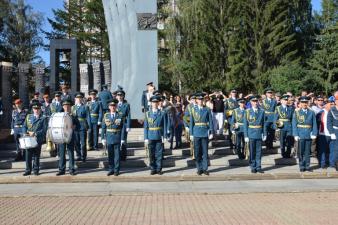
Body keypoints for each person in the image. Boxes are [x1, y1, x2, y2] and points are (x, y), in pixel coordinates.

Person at [189, 93, 214, 175]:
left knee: (205, 152)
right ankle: (199, 168)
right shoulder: (193, 109)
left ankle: (205, 168)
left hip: (204, 132)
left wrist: (211, 131)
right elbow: (191, 123)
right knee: (197, 152)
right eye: (199, 99)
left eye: (201, 99)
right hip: (196, 132)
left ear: (203, 100)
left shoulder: (207, 109)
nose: (200, 101)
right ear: (196, 100)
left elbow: (210, 121)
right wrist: (191, 134)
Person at [292, 96, 318, 172]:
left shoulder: (311, 112)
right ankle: (301, 165)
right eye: (303, 102)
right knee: (301, 151)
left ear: (308, 103)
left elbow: (314, 123)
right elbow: (294, 124)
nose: (304, 104)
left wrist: (314, 133)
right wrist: (295, 134)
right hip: (300, 134)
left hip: (309, 134)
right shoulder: (297, 112)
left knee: (307, 151)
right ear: (300, 103)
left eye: (306, 102)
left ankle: (307, 166)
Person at [101, 99, 126, 176]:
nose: (113, 107)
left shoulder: (120, 115)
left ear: (116, 106)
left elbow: (122, 128)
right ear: (109, 107)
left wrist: (122, 139)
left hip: (117, 136)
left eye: (114, 106)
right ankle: (111, 169)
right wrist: (103, 138)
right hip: (109, 137)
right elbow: (103, 128)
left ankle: (116, 170)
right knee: (110, 155)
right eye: (111, 106)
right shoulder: (106, 115)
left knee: (117, 155)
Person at [22, 102, 48, 176]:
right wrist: (24, 132)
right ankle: (28, 170)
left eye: (38, 109)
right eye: (35, 109)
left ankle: (36, 170)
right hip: (28, 139)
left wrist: (35, 133)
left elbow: (44, 129)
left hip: (37, 139)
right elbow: (24, 126)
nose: (36, 110)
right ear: (32, 109)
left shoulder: (43, 118)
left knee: (36, 155)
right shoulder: (28, 116)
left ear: (40, 109)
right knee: (28, 155)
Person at [144, 95, 167, 175]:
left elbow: (164, 125)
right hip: (150, 135)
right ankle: (152, 168)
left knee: (159, 154)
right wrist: (146, 138)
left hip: (159, 135)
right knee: (151, 154)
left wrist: (164, 136)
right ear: (151, 103)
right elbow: (146, 127)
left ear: (158, 103)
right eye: (153, 102)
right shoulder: (147, 114)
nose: (155, 104)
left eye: (156, 102)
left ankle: (159, 169)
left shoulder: (162, 113)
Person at [244, 95, 267, 173]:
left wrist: (265, 133)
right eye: (253, 101)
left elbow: (264, 123)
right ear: (251, 102)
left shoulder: (262, 111)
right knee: (252, 151)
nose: (255, 103)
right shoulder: (247, 111)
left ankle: (258, 166)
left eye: (256, 101)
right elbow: (245, 125)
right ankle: (253, 166)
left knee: (259, 151)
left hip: (259, 133)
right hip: (251, 133)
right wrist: (246, 135)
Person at [56, 99, 79, 176]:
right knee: (61, 153)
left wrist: (74, 126)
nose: (67, 108)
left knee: (70, 152)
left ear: (70, 107)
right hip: (62, 136)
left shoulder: (73, 115)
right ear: (63, 107)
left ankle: (71, 169)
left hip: (70, 136)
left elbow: (78, 125)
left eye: (68, 106)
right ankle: (61, 169)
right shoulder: (59, 115)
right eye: (65, 106)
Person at [72, 92, 91, 162]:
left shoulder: (85, 107)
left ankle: (84, 156)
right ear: (75, 99)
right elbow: (71, 117)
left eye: (80, 98)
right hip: (75, 127)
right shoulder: (73, 107)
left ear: (82, 99)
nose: (79, 99)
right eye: (77, 98)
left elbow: (88, 117)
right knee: (76, 142)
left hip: (82, 126)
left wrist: (89, 127)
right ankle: (78, 155)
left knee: (83, 143)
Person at [116, 87, 131, 161]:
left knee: (123, 140)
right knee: (117, 140)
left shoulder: (126, 105)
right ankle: (117, 155)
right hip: (116, 123)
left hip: (124, 123)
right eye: (118, 95)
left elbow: (128, 115)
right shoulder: (114, 104)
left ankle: (123, 156)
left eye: (121, 95)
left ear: (123, 96)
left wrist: (128, 125)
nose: (119, 97)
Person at [327, 93, 338, 172]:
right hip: (335, 130)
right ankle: (333, 164)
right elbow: (329, 123)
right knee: (335, 149)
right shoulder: (332, 110)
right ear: (335, 101)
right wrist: (331, 132)